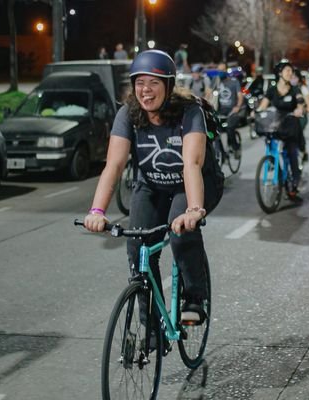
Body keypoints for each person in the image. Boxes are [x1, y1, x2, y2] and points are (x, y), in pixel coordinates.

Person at [84, 50, 220, 323]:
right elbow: (113, 165)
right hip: (151, 184)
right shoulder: (128, 114)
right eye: (139, 83)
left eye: (154, 83)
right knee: (137, 245)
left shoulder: (189, 112)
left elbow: (191, 164)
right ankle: (150, 323)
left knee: (180, 228)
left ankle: (194, 295)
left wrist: (193, 209)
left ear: (169, 86)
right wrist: (97, 210)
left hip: (192, 183)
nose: (145, 90)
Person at [257, 59, 305, 201]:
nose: (291, 73)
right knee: (272, 151)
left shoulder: (295, 89)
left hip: (291, 125)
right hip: (275, 125)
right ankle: (277, 173)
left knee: (291, 153)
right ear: (280, 73)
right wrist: (257, 112)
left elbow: (300, 101)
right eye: (287, 71)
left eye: (292, 71)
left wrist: (299, 109)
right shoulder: (272, 90)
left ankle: (294, 182)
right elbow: (263, 105)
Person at [215, 62, 244, 158]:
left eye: (222, 70)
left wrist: (238, 107)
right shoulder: (217, 81)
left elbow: (240, 96)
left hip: (232, 110)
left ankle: (235, 148)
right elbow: (209, 93)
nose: (220, 72)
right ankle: (222, 153)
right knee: (214, 130)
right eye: (219, 70)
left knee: (230, 128)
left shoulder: (234, 81)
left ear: (226, 70)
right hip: (220, 110)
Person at [291, 68, 309, 162]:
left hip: (301, 116)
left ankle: (304, 151)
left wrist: (308, 108)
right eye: (291, 77)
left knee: (297, 133)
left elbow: (307, 101)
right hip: (289, 116)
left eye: (294, 77)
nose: (292, 79)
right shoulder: (286, 88)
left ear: (298, 78)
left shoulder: (302, 88)